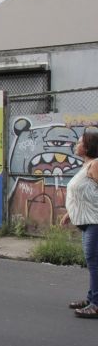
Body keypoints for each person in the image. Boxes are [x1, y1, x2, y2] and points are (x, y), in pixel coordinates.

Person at [62, 130, 98, 318]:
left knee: (95, 263)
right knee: (92, 262)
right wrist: (70, 212)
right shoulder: (87, 165)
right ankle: (92, 298)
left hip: (95, 222)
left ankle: (96, 303)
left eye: (79, 142)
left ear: (88, 146)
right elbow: (86, 193)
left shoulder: (95, 165)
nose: (76, 145)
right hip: (87, 221)